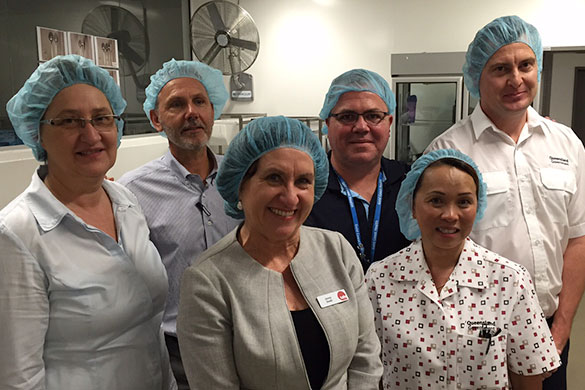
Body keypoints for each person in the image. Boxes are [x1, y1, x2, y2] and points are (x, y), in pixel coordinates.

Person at [425, 15, 585, 389]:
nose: (516, 79)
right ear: (477, 77)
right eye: (500, 69)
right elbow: (435, 253)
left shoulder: (567, 144)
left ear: (538, 68)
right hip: (474, 335)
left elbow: (577, 240)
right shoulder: (450, 151)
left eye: (525, 65)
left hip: (549, 328)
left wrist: (559, 332)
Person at [0, 55, 175, 389]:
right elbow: (17, 378)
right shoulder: (17, 235)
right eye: (69, 121)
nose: (91, 134)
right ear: (38, 133)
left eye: (102, 118)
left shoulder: (126, 201)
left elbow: (149, 325)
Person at [177, 116, 383, 389]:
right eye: (274, 178)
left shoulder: (337, 250)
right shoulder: (208, 283)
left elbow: (365, 356)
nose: (290, 197)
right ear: (241, 184)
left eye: (303, 181)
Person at [366, 149, 561, 390]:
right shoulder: (380, 279)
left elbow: (527, 375)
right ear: (412, 206)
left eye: (464, 202)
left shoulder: (510, 280)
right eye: (436, 200)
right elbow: (367, 370)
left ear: (478, 207)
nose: (450, 215)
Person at [118, 59, 239, 388]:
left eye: (200, 101)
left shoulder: (242, 178)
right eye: (176, 104)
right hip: (179, 351)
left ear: (212, 110)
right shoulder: (132, 191)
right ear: (156, 119)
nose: (191, 112)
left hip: (247, 336)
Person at [305, 69, 410, 271]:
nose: (361, 127)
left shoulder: (411, 184)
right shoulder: (305, 189)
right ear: (327, 123)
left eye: (373, 116)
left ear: (389, 123)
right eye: (347, 116)